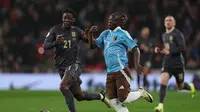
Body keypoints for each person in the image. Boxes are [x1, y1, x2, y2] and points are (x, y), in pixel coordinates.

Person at [43, 8, 110, 112]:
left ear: (73, 20)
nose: (66, 20)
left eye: (69, 18)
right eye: (64, 18)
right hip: (61, 67)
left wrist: (90, 34)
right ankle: (101, 96)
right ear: (62, 18)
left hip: (75, 64)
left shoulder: (77, 31)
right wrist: (56, 42)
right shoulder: (54, 30)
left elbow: (93, 44)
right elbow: (45, 46)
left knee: (63, 86)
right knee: (79, 96)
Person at [88, 12, 153, 112]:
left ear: (119, 22)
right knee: (113, 101)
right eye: (109, 19)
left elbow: (136, 49)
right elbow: (93, 46)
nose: (110, 21)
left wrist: (137, 64)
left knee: (124, 98)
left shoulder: (123, 34)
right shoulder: (105, 33)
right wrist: (90, 34)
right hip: (110, 72)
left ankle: (141, 93)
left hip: (121, 70)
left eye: (113, 19)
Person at [154, 16, 196, 112]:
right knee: (163, 81)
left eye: (170, 20)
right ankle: (160, 106)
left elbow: (182, 48)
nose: (168, 22)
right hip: (167, 63)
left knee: (180, 86)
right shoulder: (164, 35)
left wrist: (170, 52)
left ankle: (190, 87)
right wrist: (159, 49)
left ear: (174, 23)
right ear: (164, 23)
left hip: (178, 64)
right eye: (166, 20)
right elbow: (165, 48)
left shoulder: (178, 34)